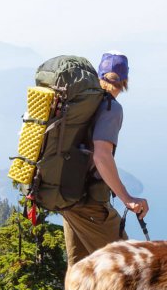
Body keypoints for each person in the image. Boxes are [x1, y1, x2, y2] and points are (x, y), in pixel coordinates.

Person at [61, 52, 150, 271]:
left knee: (81, 270)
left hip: (67, 196)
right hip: (88, 203)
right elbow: (101, 155)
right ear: (125, 81)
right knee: (128, 264)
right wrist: (127, 198)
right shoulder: (110, 108)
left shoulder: (79, 103)